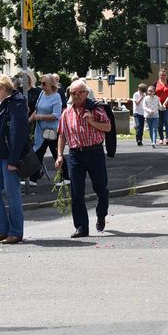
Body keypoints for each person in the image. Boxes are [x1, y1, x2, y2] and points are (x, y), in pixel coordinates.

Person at [56, 80, 111, 238]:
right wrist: (60, 155)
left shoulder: (96, 109)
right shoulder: (66, 113)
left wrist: (91, 121)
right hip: (75, 154)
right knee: (76, 192)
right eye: (73, 93)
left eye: (80, 92)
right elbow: (62, 135)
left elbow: (107, 127)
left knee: (101, 189)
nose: (76, 95)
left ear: (86, 93)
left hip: (95, 152)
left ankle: (101, 214)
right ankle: (81, 227)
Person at [0, 74, 28, 245]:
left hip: (8, 157)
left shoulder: (16, 103)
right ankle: (1, 230)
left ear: (3, 89)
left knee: (12, 193)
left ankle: (15, 232)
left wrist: (13, 160)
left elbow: (18, 133)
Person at [29, 74, 69, 187]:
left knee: (57, 154)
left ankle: (65, 177)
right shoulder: (42, 94)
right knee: (37, 153)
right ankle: (33, 179)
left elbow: (56, 115)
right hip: (40, 130)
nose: (41, 86)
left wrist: (40, 117)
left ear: (51, 85)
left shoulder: (56, 96)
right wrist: (29, 120)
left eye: (44, 84)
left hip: (52, 131)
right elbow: (37, 109)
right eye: (41, 83)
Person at [154, 68, 168, 145]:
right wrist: (159, 104)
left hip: (167, 106)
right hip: (158, 106)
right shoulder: (156, 84)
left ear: (166, 75)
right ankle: (161, 138)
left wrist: (165, 104)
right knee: (159, 123)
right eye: (161, 75)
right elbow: (153, 95)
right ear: (159, 75)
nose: (163, 76)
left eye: (164, 75)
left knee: (167, 122)